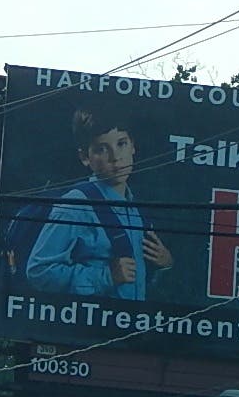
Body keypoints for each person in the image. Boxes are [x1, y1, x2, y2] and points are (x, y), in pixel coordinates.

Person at [24, 111, 173, 298]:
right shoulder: (75, 206)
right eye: (102, 149)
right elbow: (39, 271)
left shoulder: (135, 209)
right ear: (85, 157)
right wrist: (106, 276)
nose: (115, 157)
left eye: (121, 144)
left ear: (133, 146)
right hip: (89, 316)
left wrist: (165, 264)